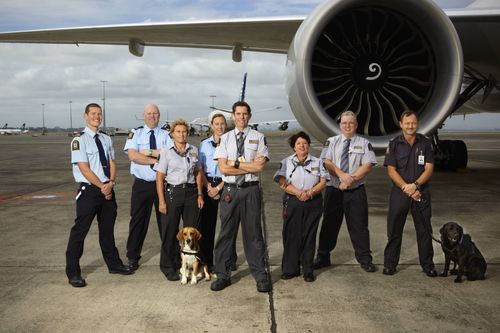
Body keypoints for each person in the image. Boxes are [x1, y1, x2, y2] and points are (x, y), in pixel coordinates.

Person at [66, 103, 133, 288]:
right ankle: (73, 272)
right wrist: (102, 185)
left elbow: (112, 162)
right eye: (93, 113)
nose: (97, 116)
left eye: (99, 113)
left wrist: (110, 183)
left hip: (107, 189)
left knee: (107, 231)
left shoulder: (105, 138)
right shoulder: (79, 140)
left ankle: (114, 264)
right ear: (85, 116)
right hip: (89, 191)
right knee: (80, 232)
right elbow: (84, 169)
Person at [210, 101, 271, 293]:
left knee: (253, 234)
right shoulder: (225, 138)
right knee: (226, 234)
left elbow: (260, 167)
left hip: (251, 190)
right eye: (238, 114)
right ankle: (222, 274)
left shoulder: (259, 137)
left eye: (245, 114)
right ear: (233, 116)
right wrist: (247, 165)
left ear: (249, 116)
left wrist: (234, 163)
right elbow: (222, 168)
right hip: (230, 191)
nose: (241, 117)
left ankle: (260, 275)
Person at [313, 110, 377, 273]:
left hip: (356, 191)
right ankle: (323, 256)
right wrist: (342, 176)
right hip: (334, 190)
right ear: (340, 125)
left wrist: (351, 179)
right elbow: (326, 161)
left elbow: (368, 164)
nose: (347, 126)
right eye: (344, 123)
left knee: (360, 226)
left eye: (351, 123)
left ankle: (365, 259)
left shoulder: (363, 143)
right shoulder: (331, 141)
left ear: (356, 125)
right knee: (329, 224)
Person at [382, 110, 437, 277]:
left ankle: (428, 265)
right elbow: (391, 170)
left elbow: (429, 168)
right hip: (400, 192)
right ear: (401, 124)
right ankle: (390, 264)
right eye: (407, 123)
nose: (410, 126)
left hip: (421, 192)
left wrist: (416, 186)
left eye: (413, 123)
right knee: (394, 230)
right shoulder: (394, 144)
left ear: (417, 124)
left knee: (424, 230)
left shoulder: (426, 143)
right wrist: (407, 187)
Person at [274, 131, 329, 282]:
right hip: (293, 201)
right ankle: (290, 269)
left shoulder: (318, 162)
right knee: (291, 235)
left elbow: (324, 181)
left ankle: (308, 270)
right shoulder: (286, 162)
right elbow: (281, 181)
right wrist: (298, 193)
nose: (302, 146)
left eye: (305, 143)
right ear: (294, 147)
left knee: (309, 235)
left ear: (309, 145)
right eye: (298, 143)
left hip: (313, 201)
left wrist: (310, 192)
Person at [123, 104, 172, 271]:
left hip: (163, 186)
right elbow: (133, 155)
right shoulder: (135, 133)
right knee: (138, 221)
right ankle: (132, 257)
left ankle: (170, 256)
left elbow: (170, 154)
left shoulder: (167, 134)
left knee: (166, 222)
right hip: (142, 185)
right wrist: (157, 160)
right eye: (149, 113)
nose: (152, 116)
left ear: (159, 116)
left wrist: (148, 152)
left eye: (155, 113)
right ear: (144, 116)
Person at [154, 119, 204, 281]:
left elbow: (197, 173)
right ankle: (168, 266)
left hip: (190, 193)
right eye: (178, 132)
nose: (182, 134)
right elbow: (160, 177)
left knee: (191, 232)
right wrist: (162, 201)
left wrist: (199, 194)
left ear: (187, 133)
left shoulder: (194, 150)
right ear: (172, 134)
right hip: (173, 194)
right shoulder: (166, 152)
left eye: (184, 131)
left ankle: (189, 266)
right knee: (170, 232)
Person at [198, 113, 238, 271]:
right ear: (211, 126)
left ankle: (229, 259)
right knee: (207, 226)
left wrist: (219, 187)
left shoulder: (232, 143)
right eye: (217, 124)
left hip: (226, 184)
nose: (220, 126)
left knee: (229, 225)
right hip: (208, 185)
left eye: (222, 124)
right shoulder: (204, 144)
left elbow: (234, 168)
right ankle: (207, 260)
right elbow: (200, 168)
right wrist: (208, 187)